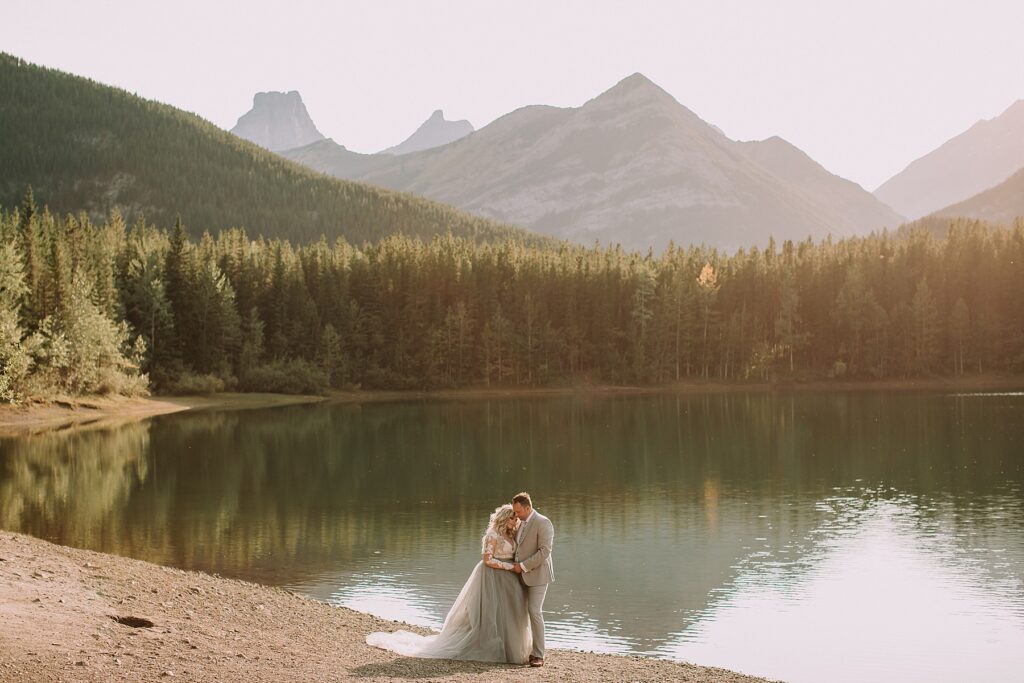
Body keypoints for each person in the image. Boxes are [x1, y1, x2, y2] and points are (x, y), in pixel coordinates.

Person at [365, 504, 532, 664]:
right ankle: (492, 647)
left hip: (509, 579)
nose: (515, 521)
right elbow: (487, 560)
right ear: (503, 518)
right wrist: (510, 567)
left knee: (509, 610)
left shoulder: (512, 534)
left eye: (516, 518)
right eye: (512, 518)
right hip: (492, 576)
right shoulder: (492, 535)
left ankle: (510, 646)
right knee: (490, 611)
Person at [510, 491, 555, 667]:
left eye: (519, 511)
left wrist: (522, 566)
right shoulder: (520, 522)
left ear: (528, 508)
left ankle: (539, 654)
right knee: (520, 612)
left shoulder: (543, 522)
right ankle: (524, 648)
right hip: (520, 576)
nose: (516, 515)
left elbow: (545, 552)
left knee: (535, 611)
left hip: (538, 574)